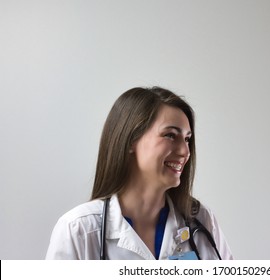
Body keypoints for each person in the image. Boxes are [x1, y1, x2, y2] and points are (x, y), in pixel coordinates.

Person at [46, 86, 233, 260]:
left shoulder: (202, 221)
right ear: (130, 141)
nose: (185, 151)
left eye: (187, 139)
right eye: (170, 135)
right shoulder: (78, 229)